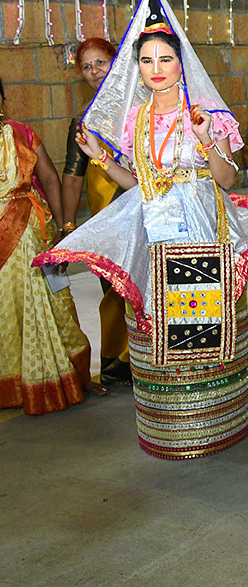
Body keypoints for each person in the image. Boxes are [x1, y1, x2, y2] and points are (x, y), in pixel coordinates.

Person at [36, 0, 248, 458]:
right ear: (137, 69)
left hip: (204, 226)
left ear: (180, 62)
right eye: (146, 61)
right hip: (154, 231)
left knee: (205, 322)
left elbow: (227, 180)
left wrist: (206, 139)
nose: (156, 69)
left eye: (165, 59)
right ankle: (169, 424)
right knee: (157, 324)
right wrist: (101, 160)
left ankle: (215, 417)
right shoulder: (136, 121)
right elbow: (140, 185)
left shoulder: (205, 114)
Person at [1, 76, 106, 414]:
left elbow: (48, 177)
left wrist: (65, 228)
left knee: (50, 303)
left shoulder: (20, 132)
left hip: (29, 231)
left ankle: (68, 376)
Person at [61, 36, 129, 384]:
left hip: (142, 210)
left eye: (100, 62)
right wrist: (68, 226)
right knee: (113, 289)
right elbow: (72, 179)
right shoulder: (82, 124)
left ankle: (150, 355)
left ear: (116, 62)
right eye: (86, 67)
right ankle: (116, 361)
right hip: (106, 221)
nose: (94, 71)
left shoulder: (139, 109)